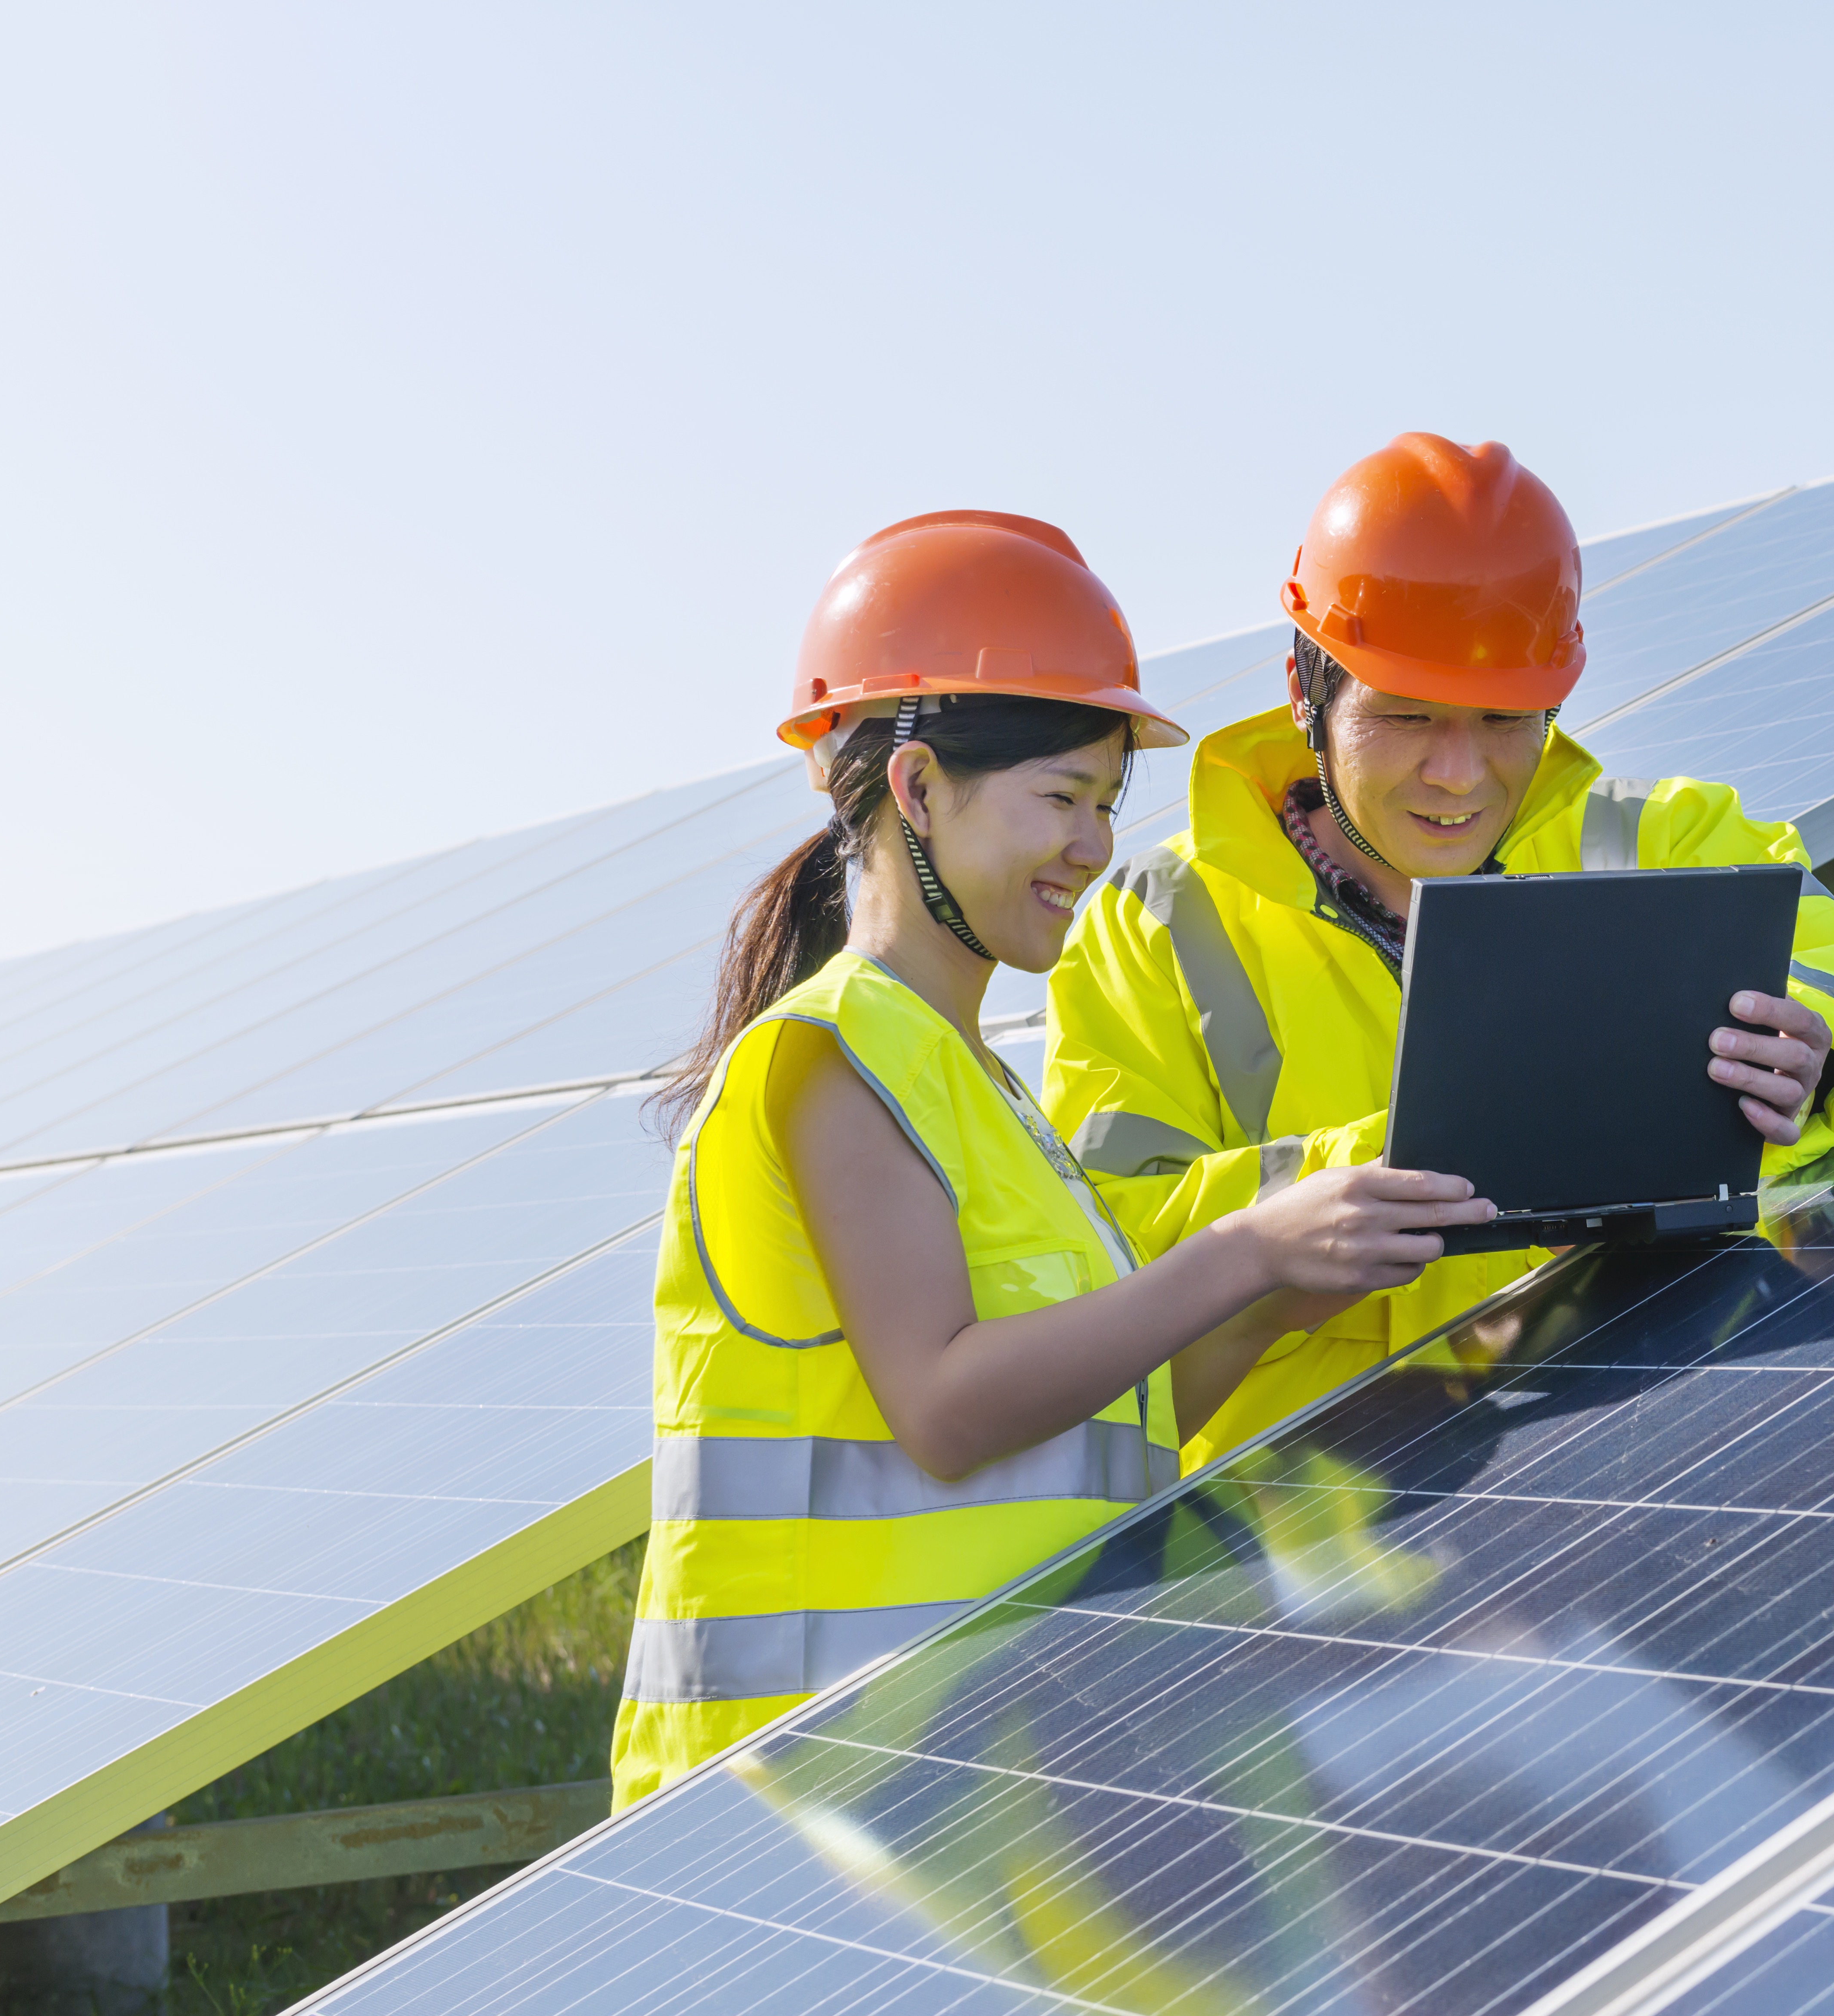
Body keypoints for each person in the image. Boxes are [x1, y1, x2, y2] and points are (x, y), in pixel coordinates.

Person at [611, 511, 1495, 1808]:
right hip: (790, 1804)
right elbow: (950, 1408)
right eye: (1062, 800)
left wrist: (1277, 1300)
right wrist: (1242, 1248)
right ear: (915, 790)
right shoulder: (831, 1057)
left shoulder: (992, 1100)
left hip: (959, 1795)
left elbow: (1104, 1433)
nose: (1093, 847)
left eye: (1106, 806)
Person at [1044, 435, 1834, 1473]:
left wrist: (1814, 1038)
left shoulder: (1654, 842)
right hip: (1325, 1522)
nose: (1458, 774)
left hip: (1641, 1469)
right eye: (1406, 717)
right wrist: (1386, 1169)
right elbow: (1103, 1248)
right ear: (1305, 688)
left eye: (1504, 721)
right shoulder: (1153, 925)